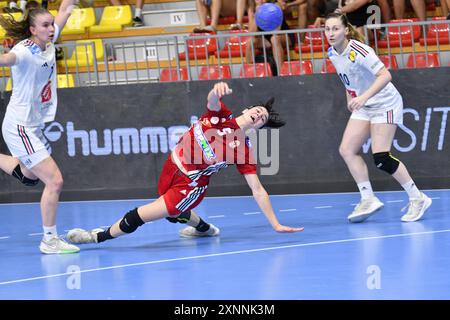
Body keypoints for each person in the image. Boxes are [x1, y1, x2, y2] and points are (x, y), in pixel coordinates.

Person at [66, 82, 304, 246]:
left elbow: (257, 189)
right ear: (248, 109)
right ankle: (205, 229)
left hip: (189, 186)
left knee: (140, 215)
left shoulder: (243, 149)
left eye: (262, 119)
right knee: (174, 215)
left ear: (260, 127)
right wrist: (216, 90)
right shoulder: (221, 115)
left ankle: (97, 237)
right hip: (172, 166)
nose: (259, 115)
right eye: (258, 111)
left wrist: (275, 223)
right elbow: (211, 100)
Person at [324, 12, 432, 223]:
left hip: (385, 103)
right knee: (347, 150)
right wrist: (351, 97)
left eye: (335, 28)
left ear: (346, 30)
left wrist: (362, 97)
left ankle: (417, 198)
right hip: (364, 105)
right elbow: (348, 79)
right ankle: (368, 199)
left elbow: (385, 75)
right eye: (327, 29)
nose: (331, 33)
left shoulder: (360, 50)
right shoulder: (332, 53)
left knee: (381, 158)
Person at [0, 0, 80, 253]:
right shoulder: (24, 51)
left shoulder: (48, 42)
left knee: (30, 175)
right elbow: (8, 59)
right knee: (54, 180)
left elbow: (66, 7)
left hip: (32, 125)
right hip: (19, 125)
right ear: (33, 30)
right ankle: (49, 240)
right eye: (46, 25)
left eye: (51, 24)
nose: (51, 28)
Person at [246, 0, 294, 76]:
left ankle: (281, 73)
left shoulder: (276, 6)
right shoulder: (252, 10)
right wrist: (257, 14)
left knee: (274, 39)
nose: (261, 0)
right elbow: (252, 34)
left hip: (283, 35)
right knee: (250, 42)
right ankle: (250, 74)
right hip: (266, 38)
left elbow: (277, 31)